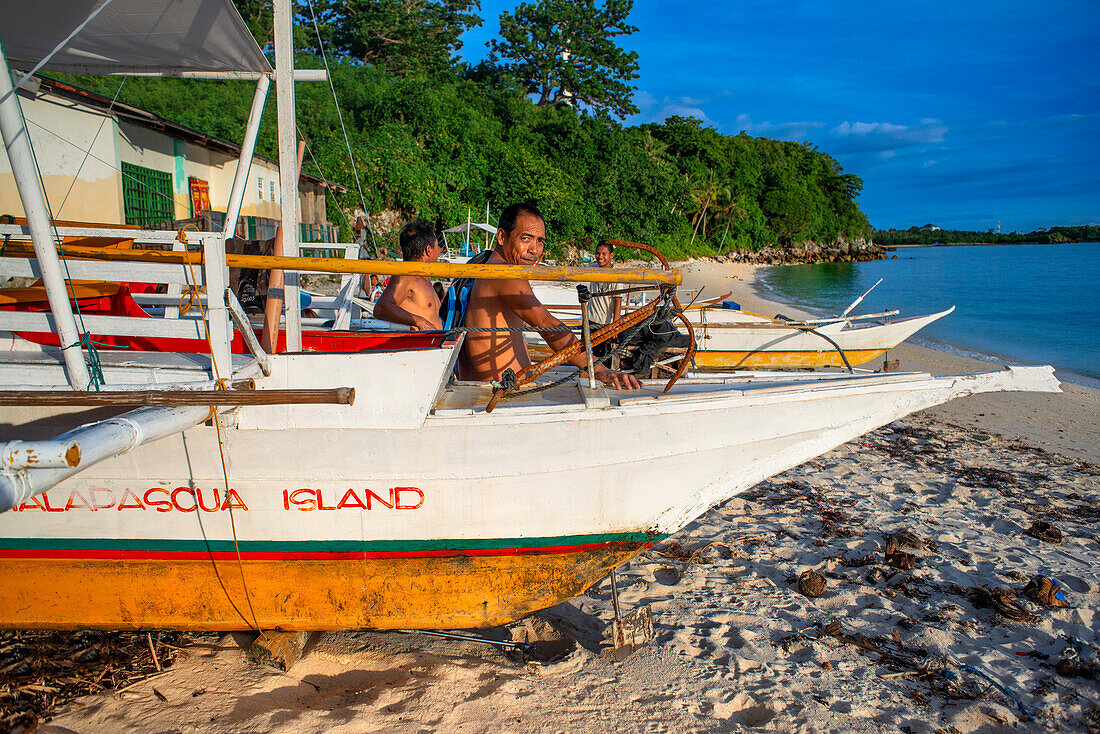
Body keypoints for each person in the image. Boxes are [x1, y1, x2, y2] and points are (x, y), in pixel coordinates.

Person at [458, 202, 641, 390]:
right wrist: (599, 369)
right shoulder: (505, 273)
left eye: (540, 241)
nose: (534, 250)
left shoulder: (485, 265)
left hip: (492, 389)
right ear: (502, 236)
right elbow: (546, 324)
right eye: (526, 238)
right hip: (498, 394)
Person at [373, 219, 443, 331]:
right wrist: (420, 322)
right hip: (416, 344)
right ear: (428, 250)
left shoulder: (423, 278)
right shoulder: (407, 275)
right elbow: (381, 308)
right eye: (437, 246)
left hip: (433, 343)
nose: (439, 251)